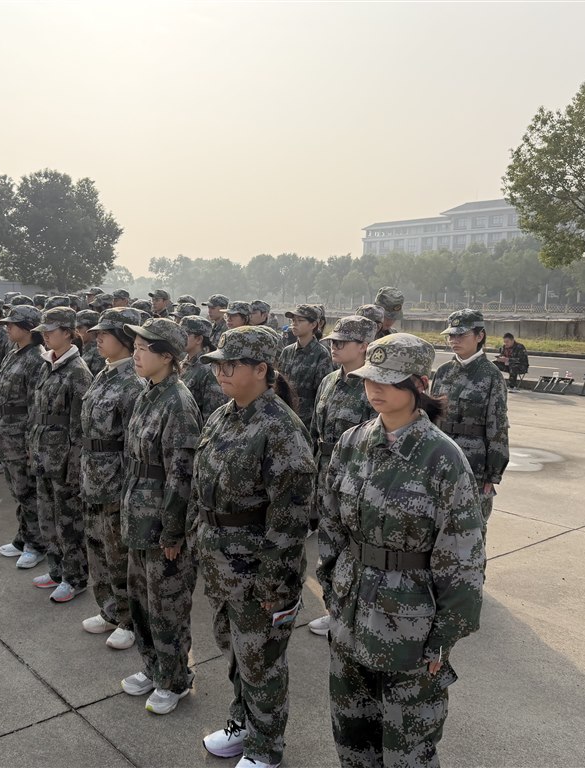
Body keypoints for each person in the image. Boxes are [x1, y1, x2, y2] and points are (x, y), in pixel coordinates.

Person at [317, 333, 485, 768]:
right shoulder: (353, 442)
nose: (374, 388)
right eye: (369, 378)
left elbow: (463, 558)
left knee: (408, 747)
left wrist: (442, 639)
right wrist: (332, 589)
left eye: (388, 380)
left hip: (409, 625)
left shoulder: (442, 458)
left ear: (420, 385)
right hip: (350, 612)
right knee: (351, 734)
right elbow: (331, 524)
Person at [194, 326, 315, 768]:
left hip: (257, 570)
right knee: (235, 652)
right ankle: (242, 724)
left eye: (232, 365)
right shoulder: (222, 415)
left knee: (261, 661)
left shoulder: (280, 429)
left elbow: (290, 518)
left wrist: (272, 584)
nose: (221, 372)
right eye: (218, 365)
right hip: (220, 561)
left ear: (261, 370)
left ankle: (266, 748)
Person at [119, 318, 202, 716]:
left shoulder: (178, 404)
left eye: (143, 348)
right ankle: (153, 667)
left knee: (167, 606)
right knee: (140, 600)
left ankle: (174, 679)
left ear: (167, 356)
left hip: (160, 523)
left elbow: (181, 475)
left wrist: (173, 532)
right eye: (134, 347)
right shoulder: (148, 393)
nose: (135, 354)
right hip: (138, 515)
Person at [306, 315, 379, 637]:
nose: (334, 347)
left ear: (364, 346)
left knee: (357, 549)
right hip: (326, 475)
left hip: (356, 478)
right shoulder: (328, 381)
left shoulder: (373, 387)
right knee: (330, 546)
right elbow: (315, 430)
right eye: (333, 342)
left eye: (342, 342)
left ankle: (356, 613)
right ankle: (334, 609)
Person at [79, 307, 145, 650]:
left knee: (119, 554)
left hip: (116, 481)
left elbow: (135, 446)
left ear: (125, 338)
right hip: (93, 476)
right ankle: (108, 609)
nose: (98, 338)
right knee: (97, 548)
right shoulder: (104, 373)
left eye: (105, 334)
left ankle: (128, 619)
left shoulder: (133, 383)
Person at [431, 309, 510, 547]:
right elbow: (431, 418)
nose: (454, 340)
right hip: (441, 458)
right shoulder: (443, 372)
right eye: (451, 335)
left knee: (472, 527)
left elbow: (497, 426)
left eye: (461, 335)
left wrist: (493, 473)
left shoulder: (491, 375)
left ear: (479, 336)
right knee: (436, 521)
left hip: (474, 463)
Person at [30, 307, 93, 602]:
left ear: (68, 333)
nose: (45, 335)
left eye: (51, 330)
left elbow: (81, 425)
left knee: (68, 522)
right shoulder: (49, 363)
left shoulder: (78, 371)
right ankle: (56, 570)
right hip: (44, 453)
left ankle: (75, 577)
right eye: (43, 331)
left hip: (64, 460)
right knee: (47, 516)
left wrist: (75, 466)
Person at [0, 305, 49, 565]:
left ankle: (37, 544)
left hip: (20, 435)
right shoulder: (13, 353)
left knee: (28, 492)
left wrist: (29, 443)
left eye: (12, 324)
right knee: (17, 490)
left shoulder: (36, 359)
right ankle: (23, 536)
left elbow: (35, 406)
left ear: (28, 328)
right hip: (6, 432)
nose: (7, 328)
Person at [278, 304, 336, 432]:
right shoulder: (287, 351)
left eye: (300, 320)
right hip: (284, 418)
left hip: (307, 423)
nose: (294, 324)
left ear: (313, 324)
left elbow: (323, 394)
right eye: (293, 320)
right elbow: (279, 384)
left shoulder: (321, 354)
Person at [179, 316, 226, 421]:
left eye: (185, 334)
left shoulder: (209, 370)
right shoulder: (183, 363)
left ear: (199, 339)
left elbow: (212, 416)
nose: (180, 338)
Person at [77, 309, 106, 377]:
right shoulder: (80, 347)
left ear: (92, 329)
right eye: (75, 328)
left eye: (80, 328)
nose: (76, 331)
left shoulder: (99, 353)